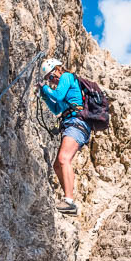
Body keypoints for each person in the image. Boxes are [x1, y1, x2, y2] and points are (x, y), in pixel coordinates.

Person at [38, 58, 90, 216]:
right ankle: (68, 199)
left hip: (77, 123)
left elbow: (59, 96)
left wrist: (45, 88)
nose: (51, 80)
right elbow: (56, 108)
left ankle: (69, 201)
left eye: (51, 76)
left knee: (63, 159)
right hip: (71, 124)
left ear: (57, 69)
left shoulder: (67, 77)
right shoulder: (64, 85)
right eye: (48, 78)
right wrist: (45, 95)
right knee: (57, 165)